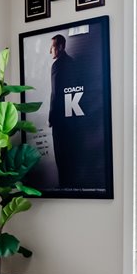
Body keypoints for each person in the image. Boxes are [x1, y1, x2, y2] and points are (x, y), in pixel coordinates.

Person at [47, 33, 95, 191]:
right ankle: (72, 186)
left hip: (60, 119)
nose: (50, 51)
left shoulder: (57, 66)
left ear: (60, 47)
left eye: (52, 47)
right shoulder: (73, 63)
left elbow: (55, 93)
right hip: (74, 118)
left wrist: (51, 116)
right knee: (73, 154)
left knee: (61, 155)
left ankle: (63, 187)